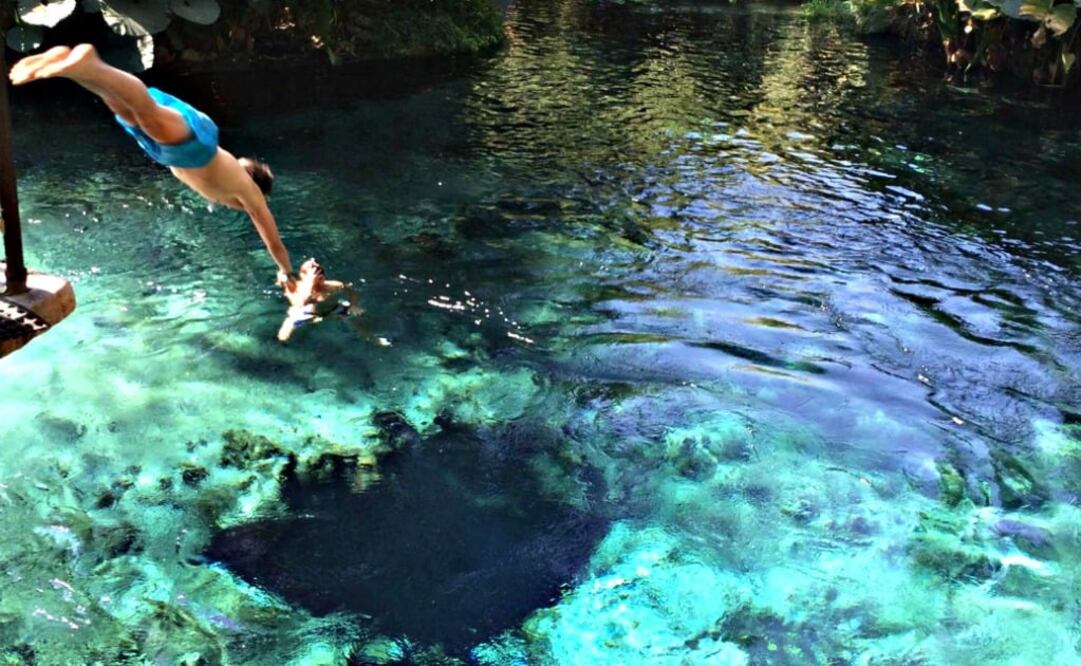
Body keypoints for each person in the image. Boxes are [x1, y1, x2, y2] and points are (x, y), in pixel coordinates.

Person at [9, 44, 295, 288]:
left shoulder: (227, 186)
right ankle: (93, 64)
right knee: (146, 113)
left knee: (123, 109)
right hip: (197, 145)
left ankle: (73, 69)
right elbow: (273, 240)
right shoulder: (248, 192)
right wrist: (286, 271)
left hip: (169, 154)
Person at [277, 257, 363, 342]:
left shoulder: (333, 286)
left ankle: (373, 339)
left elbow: (352, 291)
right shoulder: (298, 289)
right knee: (283, 335)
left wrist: (354, 305)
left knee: (359, 318)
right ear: (303, 277)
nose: (319, 282)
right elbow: (300, 304)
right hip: (305, 313)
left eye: (321, 278)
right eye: (316, 279)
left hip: (332, 310)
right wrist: (310, 284)